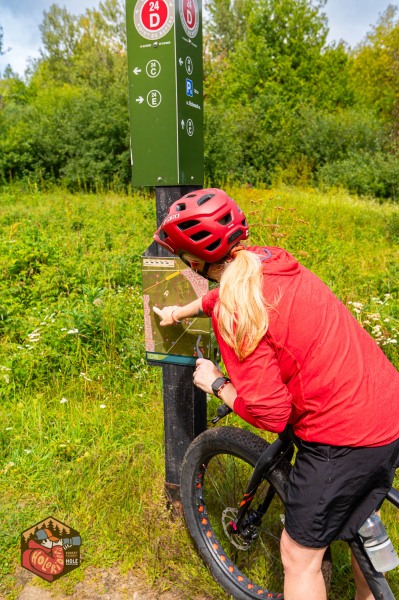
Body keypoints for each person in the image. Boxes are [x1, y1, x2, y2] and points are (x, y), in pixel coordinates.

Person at [152, 188, 399, 600]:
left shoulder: (237, 310)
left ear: (193, 262)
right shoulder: (269, 261)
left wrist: (216, 383)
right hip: (385, 404)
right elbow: (230, 289)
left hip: (344, 436)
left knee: (298, 555)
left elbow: (270, 412)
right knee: (360, 515)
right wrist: (181, 311)